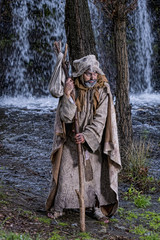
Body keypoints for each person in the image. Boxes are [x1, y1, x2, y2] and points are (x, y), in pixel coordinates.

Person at [46, 53, 121, 222]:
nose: (92, 77)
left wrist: (87, 136)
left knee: (94, 175)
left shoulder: (102, 89)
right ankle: (59, 207)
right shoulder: (72, 87)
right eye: (88, 73)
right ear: (80, 74)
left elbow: (102, 118)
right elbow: (66, 117)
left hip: (94, 140)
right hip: (71, 140)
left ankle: (95, 207)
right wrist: (67, 95)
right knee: (66, 174)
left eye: (95, 73)